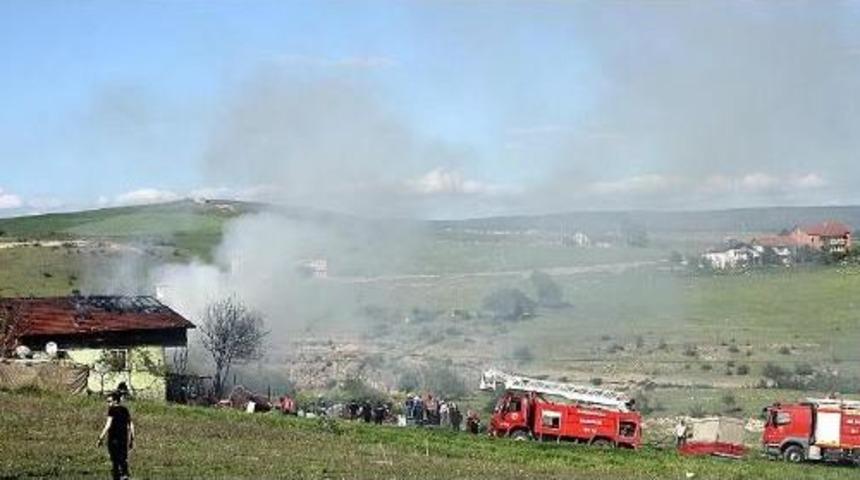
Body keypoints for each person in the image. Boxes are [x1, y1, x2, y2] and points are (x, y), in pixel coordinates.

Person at [98, 392, 135, 480]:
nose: (108, 404)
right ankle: (125, 474)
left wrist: (100, 437)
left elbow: (108, 425)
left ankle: (117, 476)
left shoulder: (112, 410)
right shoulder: (125, 410)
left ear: (115, 401)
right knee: (123, 457)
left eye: (109, 401)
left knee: (115, 459)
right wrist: (132, 438)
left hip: (114, 438)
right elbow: (131, 425)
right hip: (124, 438)